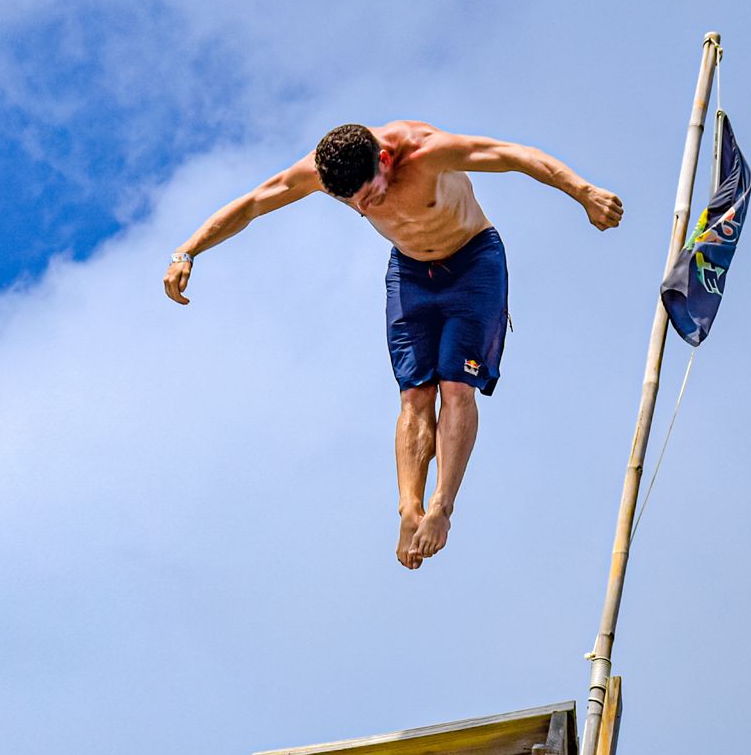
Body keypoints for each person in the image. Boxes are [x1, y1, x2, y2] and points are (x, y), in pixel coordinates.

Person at [163, 121, 622, 568]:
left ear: (384, 159)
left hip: (473, 262)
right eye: (356, 205)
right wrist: (188, 251)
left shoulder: (428, 151)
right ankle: (409, 510)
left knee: (454, 386)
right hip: (410, 275)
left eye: (372, 195)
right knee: (413, 395)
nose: (367, 209)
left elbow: (516, 156)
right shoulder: (320, 172)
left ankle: (441, 507)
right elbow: (253, 203)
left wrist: (584, 193)